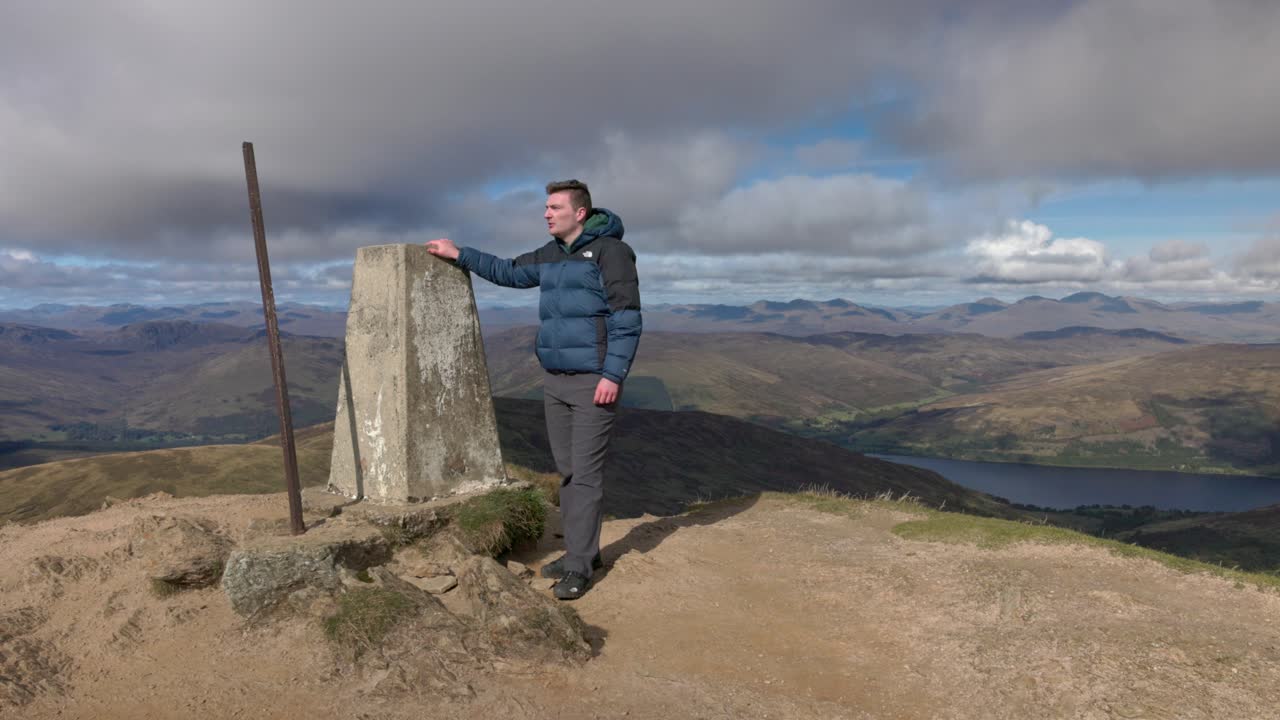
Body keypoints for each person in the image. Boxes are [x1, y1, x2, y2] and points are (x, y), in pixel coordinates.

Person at [425, 179, 642, 600]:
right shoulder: (551, 254)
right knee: (569, 471)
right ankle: (586, 551)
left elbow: (627, 317)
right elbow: (509, 271)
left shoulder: (612, 253)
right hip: (556, 379)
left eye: (554, 207)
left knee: (585, 475)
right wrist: (460, 254)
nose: (546, 213)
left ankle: (579, 566)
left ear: (579, 212)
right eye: (545, 207)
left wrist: (613, 376)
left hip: (593, 380)